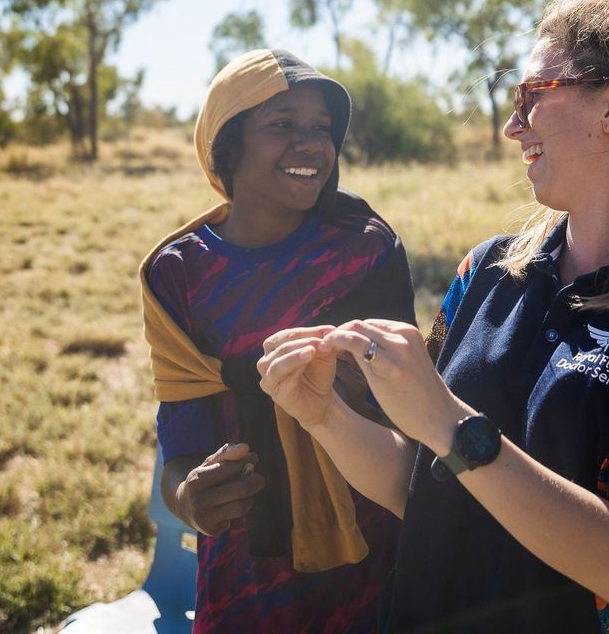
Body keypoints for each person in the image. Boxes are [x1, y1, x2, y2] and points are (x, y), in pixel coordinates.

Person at [257, 0, 609, 633]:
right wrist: (325, 416)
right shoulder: (484, 270)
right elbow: (423, 487)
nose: (514, 126)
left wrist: (451, 423)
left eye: (533, 94)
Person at [139, 49, 416, 633]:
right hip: (245, 563)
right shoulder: (178, 274)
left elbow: (407, 412)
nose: (311, 144)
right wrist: (190, 498)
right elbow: (182, 436)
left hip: (370, 538)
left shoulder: (363, 249)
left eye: (322, 128)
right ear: (227, 145)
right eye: (282, 125)